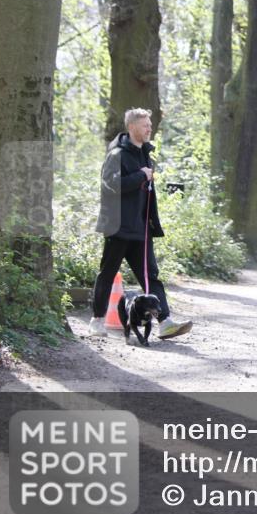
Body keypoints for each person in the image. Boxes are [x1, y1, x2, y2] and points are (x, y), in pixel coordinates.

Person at [89, 108, 193, 340]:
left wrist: (152, 221)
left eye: (150, 125)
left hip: (141, 229)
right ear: (132, 127)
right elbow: (111, 185)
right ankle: (97, 320)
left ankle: (165, 322)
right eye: (145, 125)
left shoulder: (146, 154)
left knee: (151, 277)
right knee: (107, 274)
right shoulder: (117, 153)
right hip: (118, 227)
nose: (150, 129)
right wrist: (141, 176)